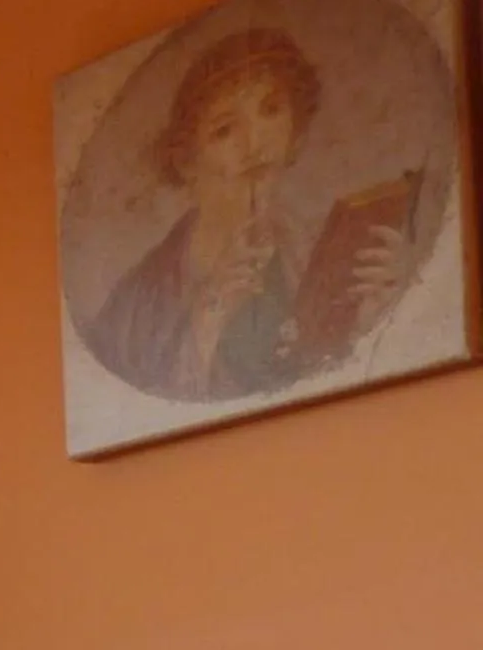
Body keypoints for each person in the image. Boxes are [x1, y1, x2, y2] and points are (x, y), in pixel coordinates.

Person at [85, 27, 413, 401]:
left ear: (296, 127)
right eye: (224, 130)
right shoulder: (137, 303)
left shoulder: (314, 251)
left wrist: (375, 319)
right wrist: (206, 318)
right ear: (188, 160)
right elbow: (126, 413)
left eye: (271, 110)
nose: (254, 142)